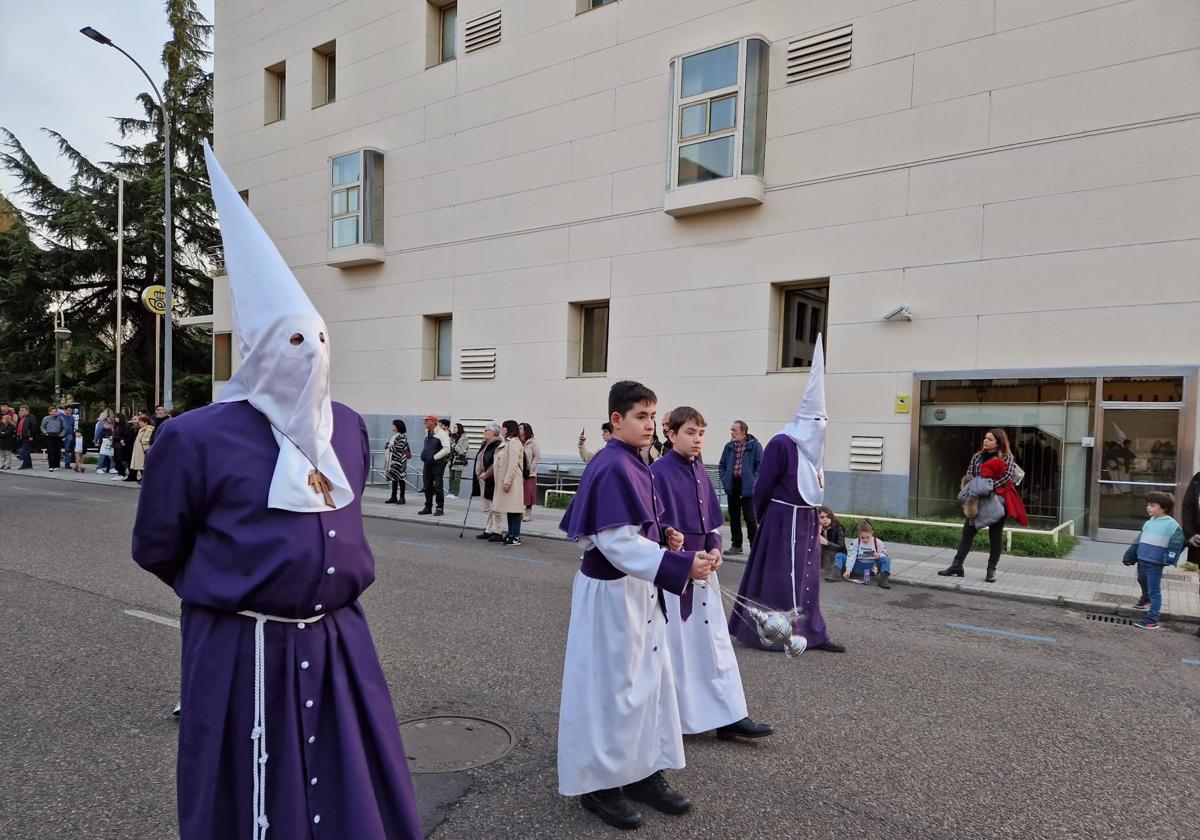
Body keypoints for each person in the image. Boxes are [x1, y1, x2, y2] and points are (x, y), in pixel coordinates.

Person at [130, 142, 421, 840]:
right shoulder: (196, 438)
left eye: (319, 339)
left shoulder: (347, 427)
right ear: (260, 350)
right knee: (247, 796)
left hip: (340, 645)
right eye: (294, 342)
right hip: (242, 645)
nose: (312, 354)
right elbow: (159, 547)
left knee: (351, 795)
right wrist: (240, 589)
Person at [558, 380, 711, 830]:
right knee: (610, 689)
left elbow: (639, 527)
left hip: (638, 590)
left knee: (648, 681)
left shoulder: (635, 461)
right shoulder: (610, 466)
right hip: (611, 596)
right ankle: (599, 785)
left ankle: (642, 771)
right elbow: (615, 543)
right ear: (617, 421)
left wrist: (665, 537)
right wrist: (679, 563)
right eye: (640, 417)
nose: (650, 424)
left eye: (652, 416)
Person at [652, 405, 773, 742]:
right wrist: (667, 535)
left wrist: (717, 547)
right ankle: (679, 717)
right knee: (681, 646)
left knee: (716, 645)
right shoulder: (657, 472)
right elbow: (652, 521)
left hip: (706, 570)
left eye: (701, 433)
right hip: (676, 570)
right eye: (690, 432)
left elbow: (712, 520)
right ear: (672, 434)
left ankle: (730, 714)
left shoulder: (700, 471)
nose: (697, 439)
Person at [729, 336, 846, 654]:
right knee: (779, 578)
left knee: (808, 578)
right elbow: (762, 485)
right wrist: (766, 519)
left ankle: (811, 632)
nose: (820, 426)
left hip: (805, 519)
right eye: (816, 420)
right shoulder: (782, 443)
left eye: (824, 421)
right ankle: (771, 633)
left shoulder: (814, 447)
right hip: (781, 520)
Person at [937, 429, 1028, 583]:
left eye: (990, 439)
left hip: (998, 502)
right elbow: (971, 474)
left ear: (998, 442)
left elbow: (1007, 479)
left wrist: (986, 488)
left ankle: (991, 570)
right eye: (985, 438)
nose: (985, 441)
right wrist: (975, 489)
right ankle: (957, 566)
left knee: (995, 535)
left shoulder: (1007, 458)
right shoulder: (977, 457)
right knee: (968, 531)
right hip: (977, 500)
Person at [1123, 491, 1185, 631]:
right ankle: (1146, 599)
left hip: (1155, 562)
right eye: (1148, 505)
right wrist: (1130, 555)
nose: (1148, 507)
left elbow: (1178, 543)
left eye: (1152, 505)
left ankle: (1152, 619)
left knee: (1154, 591)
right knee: (1141, 579)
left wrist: (1169, 558)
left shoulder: (1172, 525)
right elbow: (1139, 541)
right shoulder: (1150, 522)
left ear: (1163, 508)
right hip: (1143, 559)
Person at [719, 420, 763, 557]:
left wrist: (753, 482)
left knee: (750, 517)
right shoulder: (729, 446)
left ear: (743, 432)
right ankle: (736, 545)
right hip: (733, 485)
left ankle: (754, 547)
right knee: (734, 517)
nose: (731, 433)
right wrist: (725, 479)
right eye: (731, 430)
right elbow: (722, 465)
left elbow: (760, 466)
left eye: (734, 430)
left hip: (748, 488)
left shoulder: (755, 446)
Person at [493, 420, 526, 546]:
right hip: (509, 480)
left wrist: (507, 481)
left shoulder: (513, 443)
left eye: (503, 428)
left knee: (515, 509)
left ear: (507, 429)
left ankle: (515, 536)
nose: (501, 430)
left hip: (513, 481)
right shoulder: (507, 442)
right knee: (509, 508)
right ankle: (511, 534)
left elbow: (512, 463)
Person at [471, 422, 503, 541]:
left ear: (494, 432)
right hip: (482, 479)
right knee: (487, 507)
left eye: (486, 430)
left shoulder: (498, 445)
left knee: (494, 507)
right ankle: (489, 530)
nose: (484, 432)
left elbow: (496, 463)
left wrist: (486, 473)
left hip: (492, 479)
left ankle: (497, 532)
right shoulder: (485, 444)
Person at [839, 520, 893, 588]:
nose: (865, 540)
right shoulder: (855, 542)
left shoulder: (878, 542)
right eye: (862, 538)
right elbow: (851, 557)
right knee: (839, 555)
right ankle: (836, 573)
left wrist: (879, 555)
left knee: (886, 559)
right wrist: (848, 570)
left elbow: (885, 554)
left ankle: (883, 580)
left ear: (872, 533)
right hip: (858, 566)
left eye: (867, 537)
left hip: (872, 568)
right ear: (859, 535)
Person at [418, 414, 450, 516]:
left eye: (427, 420)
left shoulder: (442, 433)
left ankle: (439, 507)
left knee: (438, 486)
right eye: (425, 420)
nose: (425, 422)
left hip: (437, 464)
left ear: (434, 422)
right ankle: (428, 507)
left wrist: (434, 457)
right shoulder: (427, 433)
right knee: (427, 486)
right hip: (427, 463)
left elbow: (447, 449)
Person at [384, 419, 410, 504]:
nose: (392, 426)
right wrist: (389, 445)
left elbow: (399, 448)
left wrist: (390, 446)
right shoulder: (393, 436)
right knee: (393, 478)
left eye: (393, 425)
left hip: (400, 461)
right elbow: (387, 445)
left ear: (398, 426)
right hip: (393, 460)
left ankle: (402, 497)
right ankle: (393, 496)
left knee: (401, 479)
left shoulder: (402, 436)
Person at [818, 506, 847, 582]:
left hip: (837, 556)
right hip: (824, 556)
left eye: (828, 517)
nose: (825, 520)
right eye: (822, 517)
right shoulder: (815, 527)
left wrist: (827, 543)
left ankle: (835, 573)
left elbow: (841, 547)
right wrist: (818, 531)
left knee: (829, 551)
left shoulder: (838, 528)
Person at [519, 422, 540, 523]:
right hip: (518, 472)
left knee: (528, 493)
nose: (519, 430)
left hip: (529, 473)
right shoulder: (517, 442)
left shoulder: (532, 442)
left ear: (525, 431)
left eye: (521, 429)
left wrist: (530, 468)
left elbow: (537, 457)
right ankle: (518, 512)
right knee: (519, 492)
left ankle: (528, 513)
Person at [126, 413, 154, 483]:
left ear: (145, 422)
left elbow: (147, 439)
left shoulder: (148, 429)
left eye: (141, 422)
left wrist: (142, 441)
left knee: (142, 465)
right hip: (139, 449)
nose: (139, 423)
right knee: (140, 465)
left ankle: (145, 479)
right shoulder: (142, 429)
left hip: (143, 449)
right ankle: (143, 478)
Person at [447, 422, 469, 499]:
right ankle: (450, 492)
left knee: (456, 478)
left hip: (459, 461)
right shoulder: (453, 437)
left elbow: (462, 451)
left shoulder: (464, 438)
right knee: (451, 477)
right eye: (453, 427)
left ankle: (455, 493)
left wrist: (453, 445)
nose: (454, 429)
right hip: (452, 459)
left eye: (455, 427)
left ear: (459, 428)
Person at [41, 406, 65, 471]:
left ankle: (56, 465)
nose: (54, 413)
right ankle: (51, 466)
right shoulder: (46, 418)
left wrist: (61, 435)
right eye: (52, 411)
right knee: (50, 451)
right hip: (49, 436)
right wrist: (45, 433)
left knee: (57, 451)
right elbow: (42, 427)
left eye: (55, 411)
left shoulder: (60, 418)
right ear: (49, 412)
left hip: (58, 436)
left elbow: (64, 428)